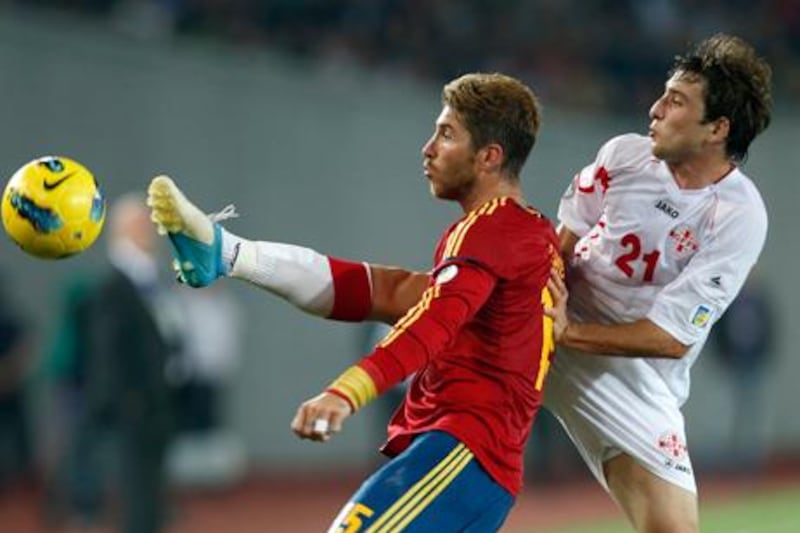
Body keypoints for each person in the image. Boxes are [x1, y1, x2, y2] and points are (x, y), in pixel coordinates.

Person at [148, 72, 562, 531]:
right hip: (472, 462)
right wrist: (234, 256)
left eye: (446, 134)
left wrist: (347, 391)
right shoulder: (525, 232)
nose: (428, 148)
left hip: (462, 453)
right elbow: (386, 292)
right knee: (392, 288)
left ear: (489, 157)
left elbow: (433, 322)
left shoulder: (488, 229)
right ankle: (224, 251)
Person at [544, 33, 772, 531]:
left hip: (634, 380)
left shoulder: (738, 214)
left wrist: (568, 333)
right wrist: (543, 316)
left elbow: (669, 339)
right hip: (547, 330)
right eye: (662, 95)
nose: (654, 109)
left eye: (675, 101)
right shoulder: (624, 155)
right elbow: (560, 247)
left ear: (717, 128)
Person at [84, 194, 185, 533]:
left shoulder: (147, 282)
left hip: (155, 402)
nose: (151, 233)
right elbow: (109, 350)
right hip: (136, 406)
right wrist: (127, 402)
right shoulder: (115, 286)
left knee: (152, 493)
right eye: (143, 225)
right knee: (139, 493)